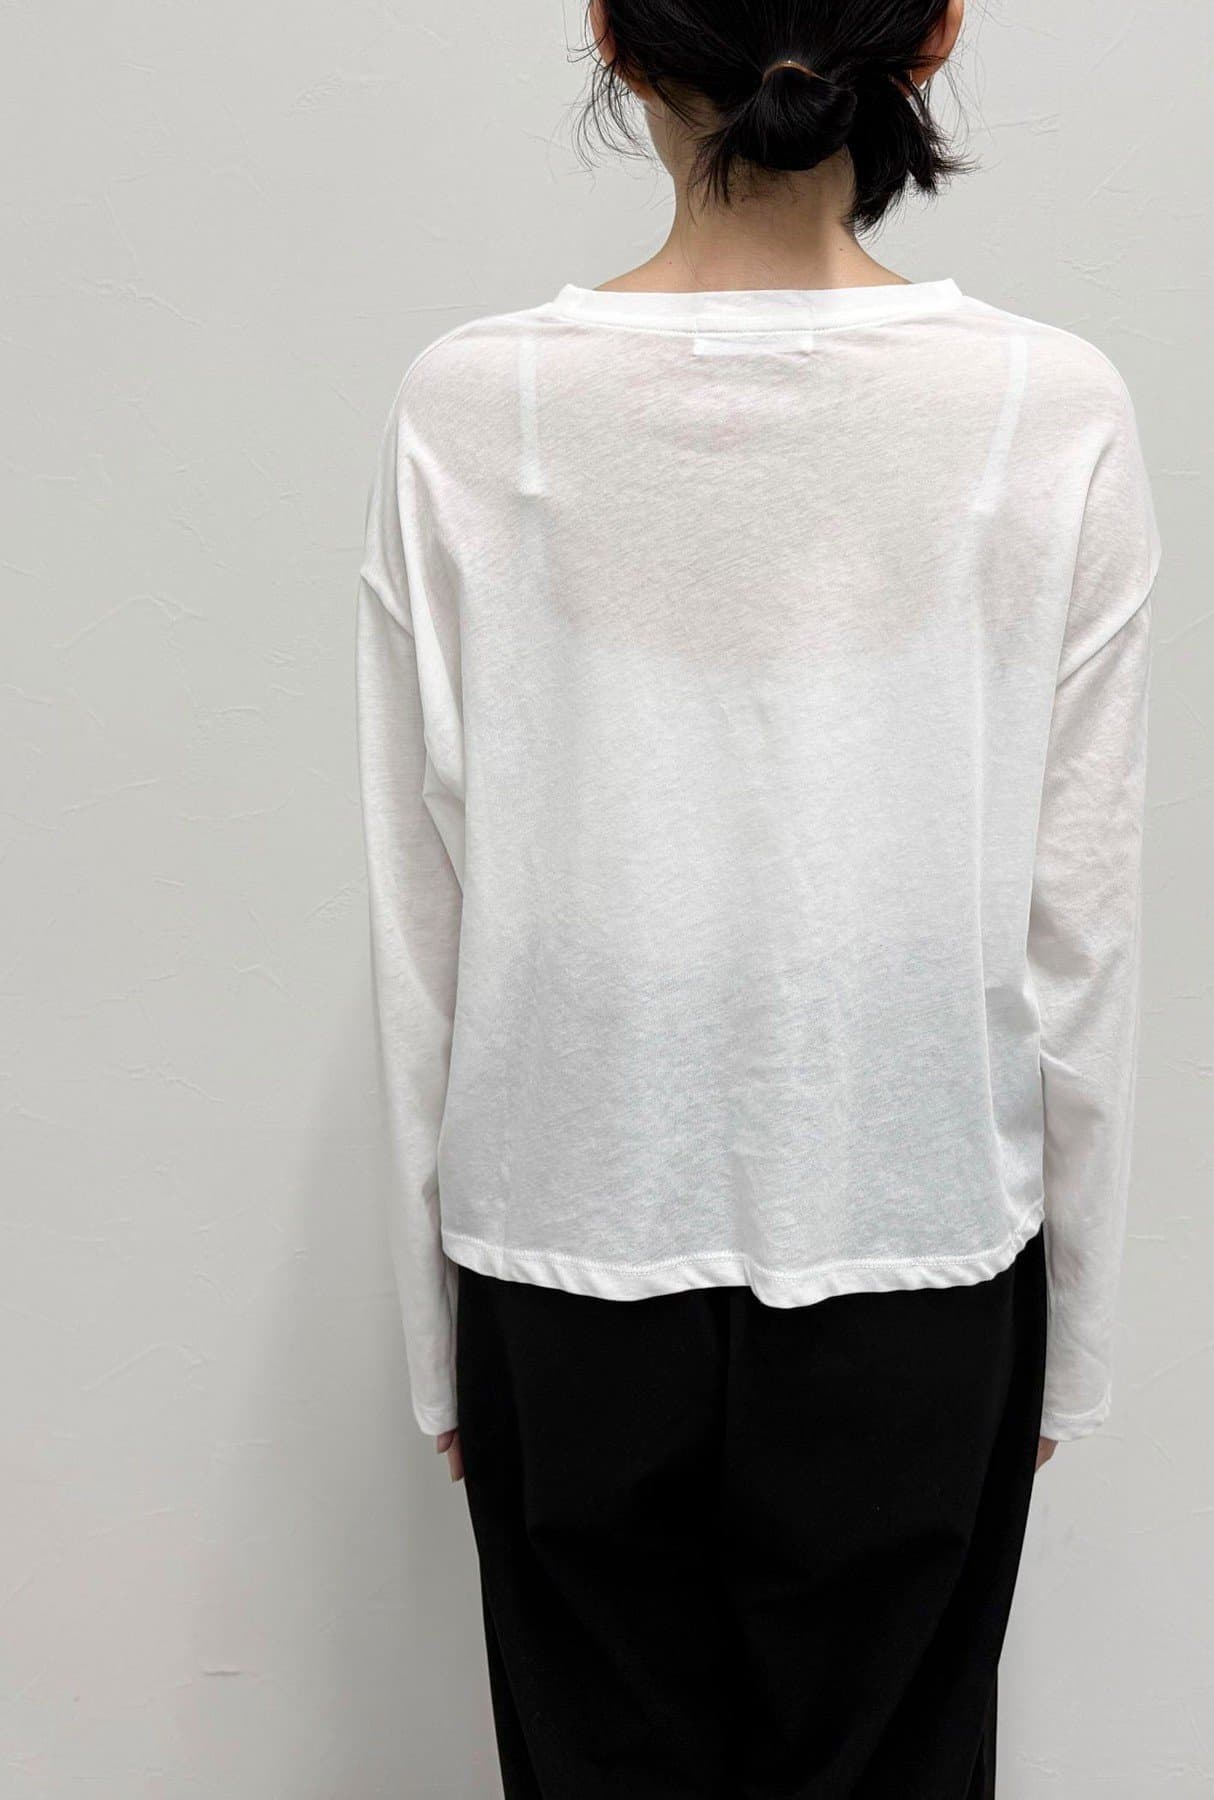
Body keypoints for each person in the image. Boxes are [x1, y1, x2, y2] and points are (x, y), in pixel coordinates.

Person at [354, 0, 1159, 1792]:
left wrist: (438, 1345)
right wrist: (1071, 1345)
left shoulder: (474, 402)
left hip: (563, 1244)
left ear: (612, 36)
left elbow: (426, 909)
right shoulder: (1044, 405)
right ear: (933, 36)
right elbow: (1081, 927)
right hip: (918, 1236)